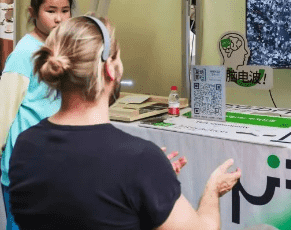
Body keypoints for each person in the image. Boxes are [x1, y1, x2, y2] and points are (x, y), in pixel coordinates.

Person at [8, 16, 241, 229]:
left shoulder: (25, 145)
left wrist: (149, 187)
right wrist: (212, 191)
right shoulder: (140, 161)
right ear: (110, 68)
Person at [0, 0, 73, 229]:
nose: (59, 18)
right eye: (50, 11)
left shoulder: (58, 49)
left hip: (53, 160)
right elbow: (4, 113)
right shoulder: (24, 54)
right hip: (26, 164)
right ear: (32, 12)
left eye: (65, 10)